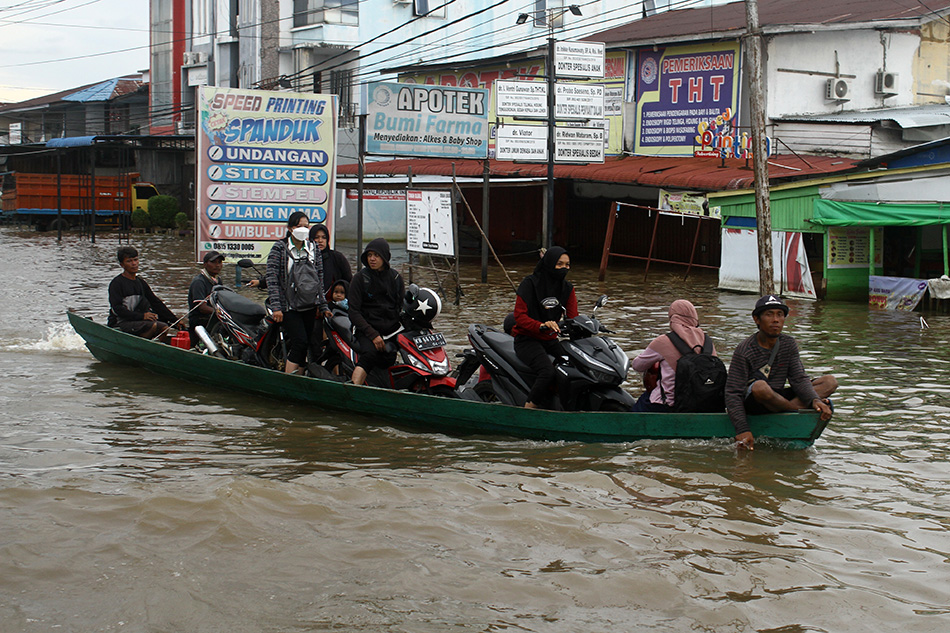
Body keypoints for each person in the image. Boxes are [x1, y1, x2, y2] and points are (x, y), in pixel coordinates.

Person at [725, 295, 838, 450]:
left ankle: (791, 407)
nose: (776, 320)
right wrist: (742, 429)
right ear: (757, 319)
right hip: (757, 401)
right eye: (769, 314)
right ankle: (794, 409)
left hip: (778, 397)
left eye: (780, 314)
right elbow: (733, 392)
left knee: (829, 382)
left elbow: (798, 378)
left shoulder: (788, 344)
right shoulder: (745, 349)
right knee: (760, 387)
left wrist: (814, 400)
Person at [265, 212, 332, 374]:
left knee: (307, 342)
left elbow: (319, 279)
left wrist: (323, 306)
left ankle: (300, 378)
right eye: (298, 226)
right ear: (290, 228)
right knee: (299, 342)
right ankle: (288, 379)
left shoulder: (313, 248)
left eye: (306, 226)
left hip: (308, 304)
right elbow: (272, 279)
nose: (303, 229)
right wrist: (276, 307)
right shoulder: (280, 248)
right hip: (288, 307)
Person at [512, 247, 578, 409]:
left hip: (550, 340)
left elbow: (573, 317)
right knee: (547, 372)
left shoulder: (567, 289)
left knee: (576, 366)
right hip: (526, 339)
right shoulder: (530, 284)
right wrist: (541, 325)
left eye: (567, 265)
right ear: (549, 264)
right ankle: (529, 408)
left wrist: (583, 326)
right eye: (559, 264)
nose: (564, 268)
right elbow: (520, 317)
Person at [631, 300, 717, 412]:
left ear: (672, 318)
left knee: (641, 404)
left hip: (668, 404)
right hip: (702, 403)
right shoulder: (708, 343)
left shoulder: (663, 341)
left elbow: (637, 365)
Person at [347, 238, 404, 386]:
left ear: (385, 257)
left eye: (376, 255)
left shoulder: (396, 278)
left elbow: (400, 307)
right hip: (366, 330)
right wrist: (373, 335)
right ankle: (353, 390)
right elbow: (353, 312)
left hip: (391, 330)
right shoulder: (360, 279)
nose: (372, 259)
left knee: (395, 355)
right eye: (369, 255)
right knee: (370, 355)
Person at [107, 246, 179, 343]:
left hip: (137, 321)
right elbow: (118, 309)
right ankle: (139, 345)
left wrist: (175, 320)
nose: (134, 264)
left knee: (164, 327)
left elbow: (155, 302)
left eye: (136, 260)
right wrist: (142, 316)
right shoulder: (116, 284)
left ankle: (153, 347)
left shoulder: (141, 282)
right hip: (121, 322)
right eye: (129, 261)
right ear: (122, 265)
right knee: (153, 326)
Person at [187, 250, 225, 346]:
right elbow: (202, 308)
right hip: (200, 319)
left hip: (213, 317)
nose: (217, 265)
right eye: (213, 262)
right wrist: (219, 313)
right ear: (205, 264)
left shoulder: (217, 280)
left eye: (219, 262)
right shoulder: (199, 282)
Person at [310, 223, 353, 292]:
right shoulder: (306, 258)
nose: (320, 241)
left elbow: (348, 281)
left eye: (324, 237)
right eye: (316, 237)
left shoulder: (337, 258)